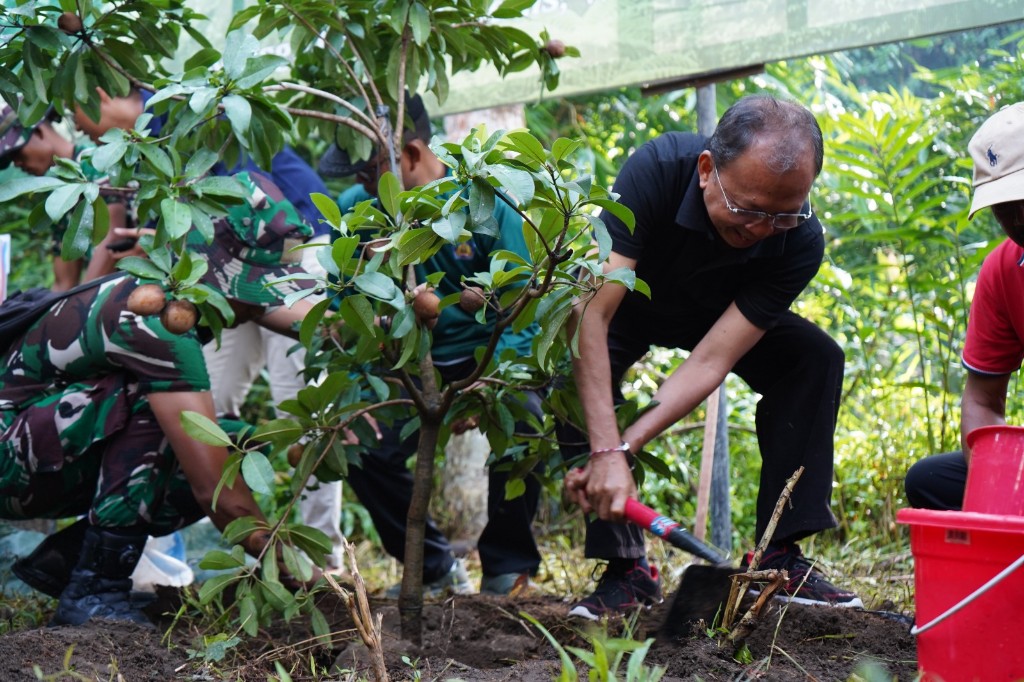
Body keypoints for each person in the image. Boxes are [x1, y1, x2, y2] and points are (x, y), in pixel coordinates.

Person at [561, 94, 862, 620]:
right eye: (747, 209)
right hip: (628, 304)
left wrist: (624, 447)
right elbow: (590, 314)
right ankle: (626, 569)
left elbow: (708, 362)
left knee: (814, 358)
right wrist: (605, 453)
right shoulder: (655, 171)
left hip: (719, 316)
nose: (761, 229)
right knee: (575, 376)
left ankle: (779, 554)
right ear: (707, 170)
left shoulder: (800, 241)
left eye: (783, 215)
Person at [0, 171, 324, 625]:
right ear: (223, 275)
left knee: (235, 441)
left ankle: (70, 562)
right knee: (181, 427)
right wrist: (293, 566)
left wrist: (384, 324)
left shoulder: (175, 288)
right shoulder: (154, 325)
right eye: (256, 287)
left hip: (32, 449)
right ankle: (95, 589)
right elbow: (216, 491)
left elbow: (298, 318)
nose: (259, 307)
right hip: (11, 459)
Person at [74, 87, 348, 572]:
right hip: (220, 273)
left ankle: (324, 560)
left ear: (99, 93)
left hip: (288, 251)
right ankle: (251, 550)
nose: (74, 127)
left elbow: (239, 208)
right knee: (206, 406)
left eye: (70, 110)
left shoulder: (187, 116)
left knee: (308, 411)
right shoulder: (136, 151)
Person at [320, 93, 544, 596]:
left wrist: (488, 382)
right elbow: (351, 308)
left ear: (413, 154)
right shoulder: (364, 216)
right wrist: (360, 384)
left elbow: (523, 305)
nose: (363, 186)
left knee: (526, 419)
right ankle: (435, 568)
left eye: (371, 171)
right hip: (408, 362)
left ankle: (508, 565)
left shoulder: (484, 204)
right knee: (361, 443)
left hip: (487, 356)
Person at [905, 102, 1024, 511]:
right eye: (1006, 206)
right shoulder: (1003, 272)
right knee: (930, 481)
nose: (1021, 216)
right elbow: (982, 402)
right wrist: (998, 484)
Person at [0, 103, 129, 291]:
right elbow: (63, 281)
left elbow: (111, 242)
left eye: (17, 153)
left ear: (39, 134)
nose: (18, 164)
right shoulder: (58, 197)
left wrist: (81, 308)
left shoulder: (96, 164)